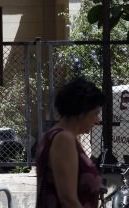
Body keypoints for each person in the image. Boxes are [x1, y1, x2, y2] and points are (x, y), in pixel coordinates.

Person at [36, 77, 105, 208]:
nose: (97, 121)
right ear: (81, 112)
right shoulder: (64, 140)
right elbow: (68, 200)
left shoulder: (53, 136)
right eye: (95, 113)